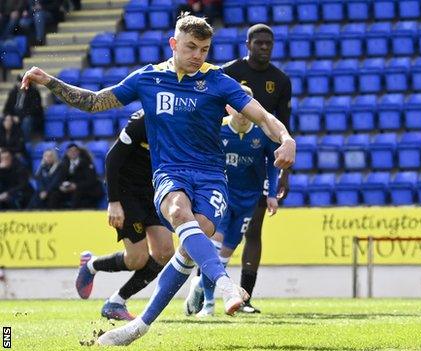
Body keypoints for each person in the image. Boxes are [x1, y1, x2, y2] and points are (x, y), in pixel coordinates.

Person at [21, 13, 295, 346]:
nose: (198, 55)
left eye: (204, 49)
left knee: (192, 246)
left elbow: (265, 117)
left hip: (211, 178)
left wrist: (287, 139)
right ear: (174, 44)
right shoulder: (148, 79)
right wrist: (50, 81)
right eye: (191, 47)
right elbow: (94, 102)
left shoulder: (219, 81)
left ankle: (138, 326)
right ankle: (223, 284)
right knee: (179, 213)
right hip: (170, 173)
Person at [184, 85, 279, 317]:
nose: (243, 112)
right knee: (215, 248)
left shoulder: (261, 133)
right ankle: (208, 305)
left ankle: (199, 286)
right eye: (238, 107)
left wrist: (272, 193)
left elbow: (272, 165)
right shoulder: (218, 129)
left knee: (225, 256)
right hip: (221, 195)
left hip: (249, 199)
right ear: (231, 107)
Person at [75, 109, 174, 321]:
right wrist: (113, 202)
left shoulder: (182, 121)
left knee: (165, 252)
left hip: (154, 192)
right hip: (127, 193)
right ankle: (92, 264)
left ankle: (116, 302)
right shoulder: (142, 121)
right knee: (137, 259)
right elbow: (112, 159)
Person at [221, 23, 292, 313]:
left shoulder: (281, 80)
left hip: (258, 164)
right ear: (248, 43)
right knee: (214, 230)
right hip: (225, 160)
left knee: (254, 231)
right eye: (259, 43)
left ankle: (245, 296)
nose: (264, 47)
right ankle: (205, 291)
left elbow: (286, 126)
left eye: (269, 44)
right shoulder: (228, 72)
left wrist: (285, 171)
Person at [46, 143, 103, 209]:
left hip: (84, 189)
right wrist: (61, 186)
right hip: (68, 189)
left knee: (78, 192)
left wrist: (76, 186)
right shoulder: (63, 164)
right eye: (70, 151)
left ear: (78, 152)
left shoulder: (86, 163)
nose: (73, 153)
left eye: (75, 151)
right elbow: (58, 179)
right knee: (54, 194)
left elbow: (91, 180)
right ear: (67, 153)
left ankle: (73, 214)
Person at [4, 74, 44, 139]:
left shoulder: (34, 92)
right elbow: (7, 108)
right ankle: (5, 143)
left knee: (26, 121)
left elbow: (34, 110)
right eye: (19, 82)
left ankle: (24, 143)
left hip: (29, 116)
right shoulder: (13, 92)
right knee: (3, 120)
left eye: (23, 81)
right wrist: (9, 116)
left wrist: (19, 117)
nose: (21, 84)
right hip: (14, 116)